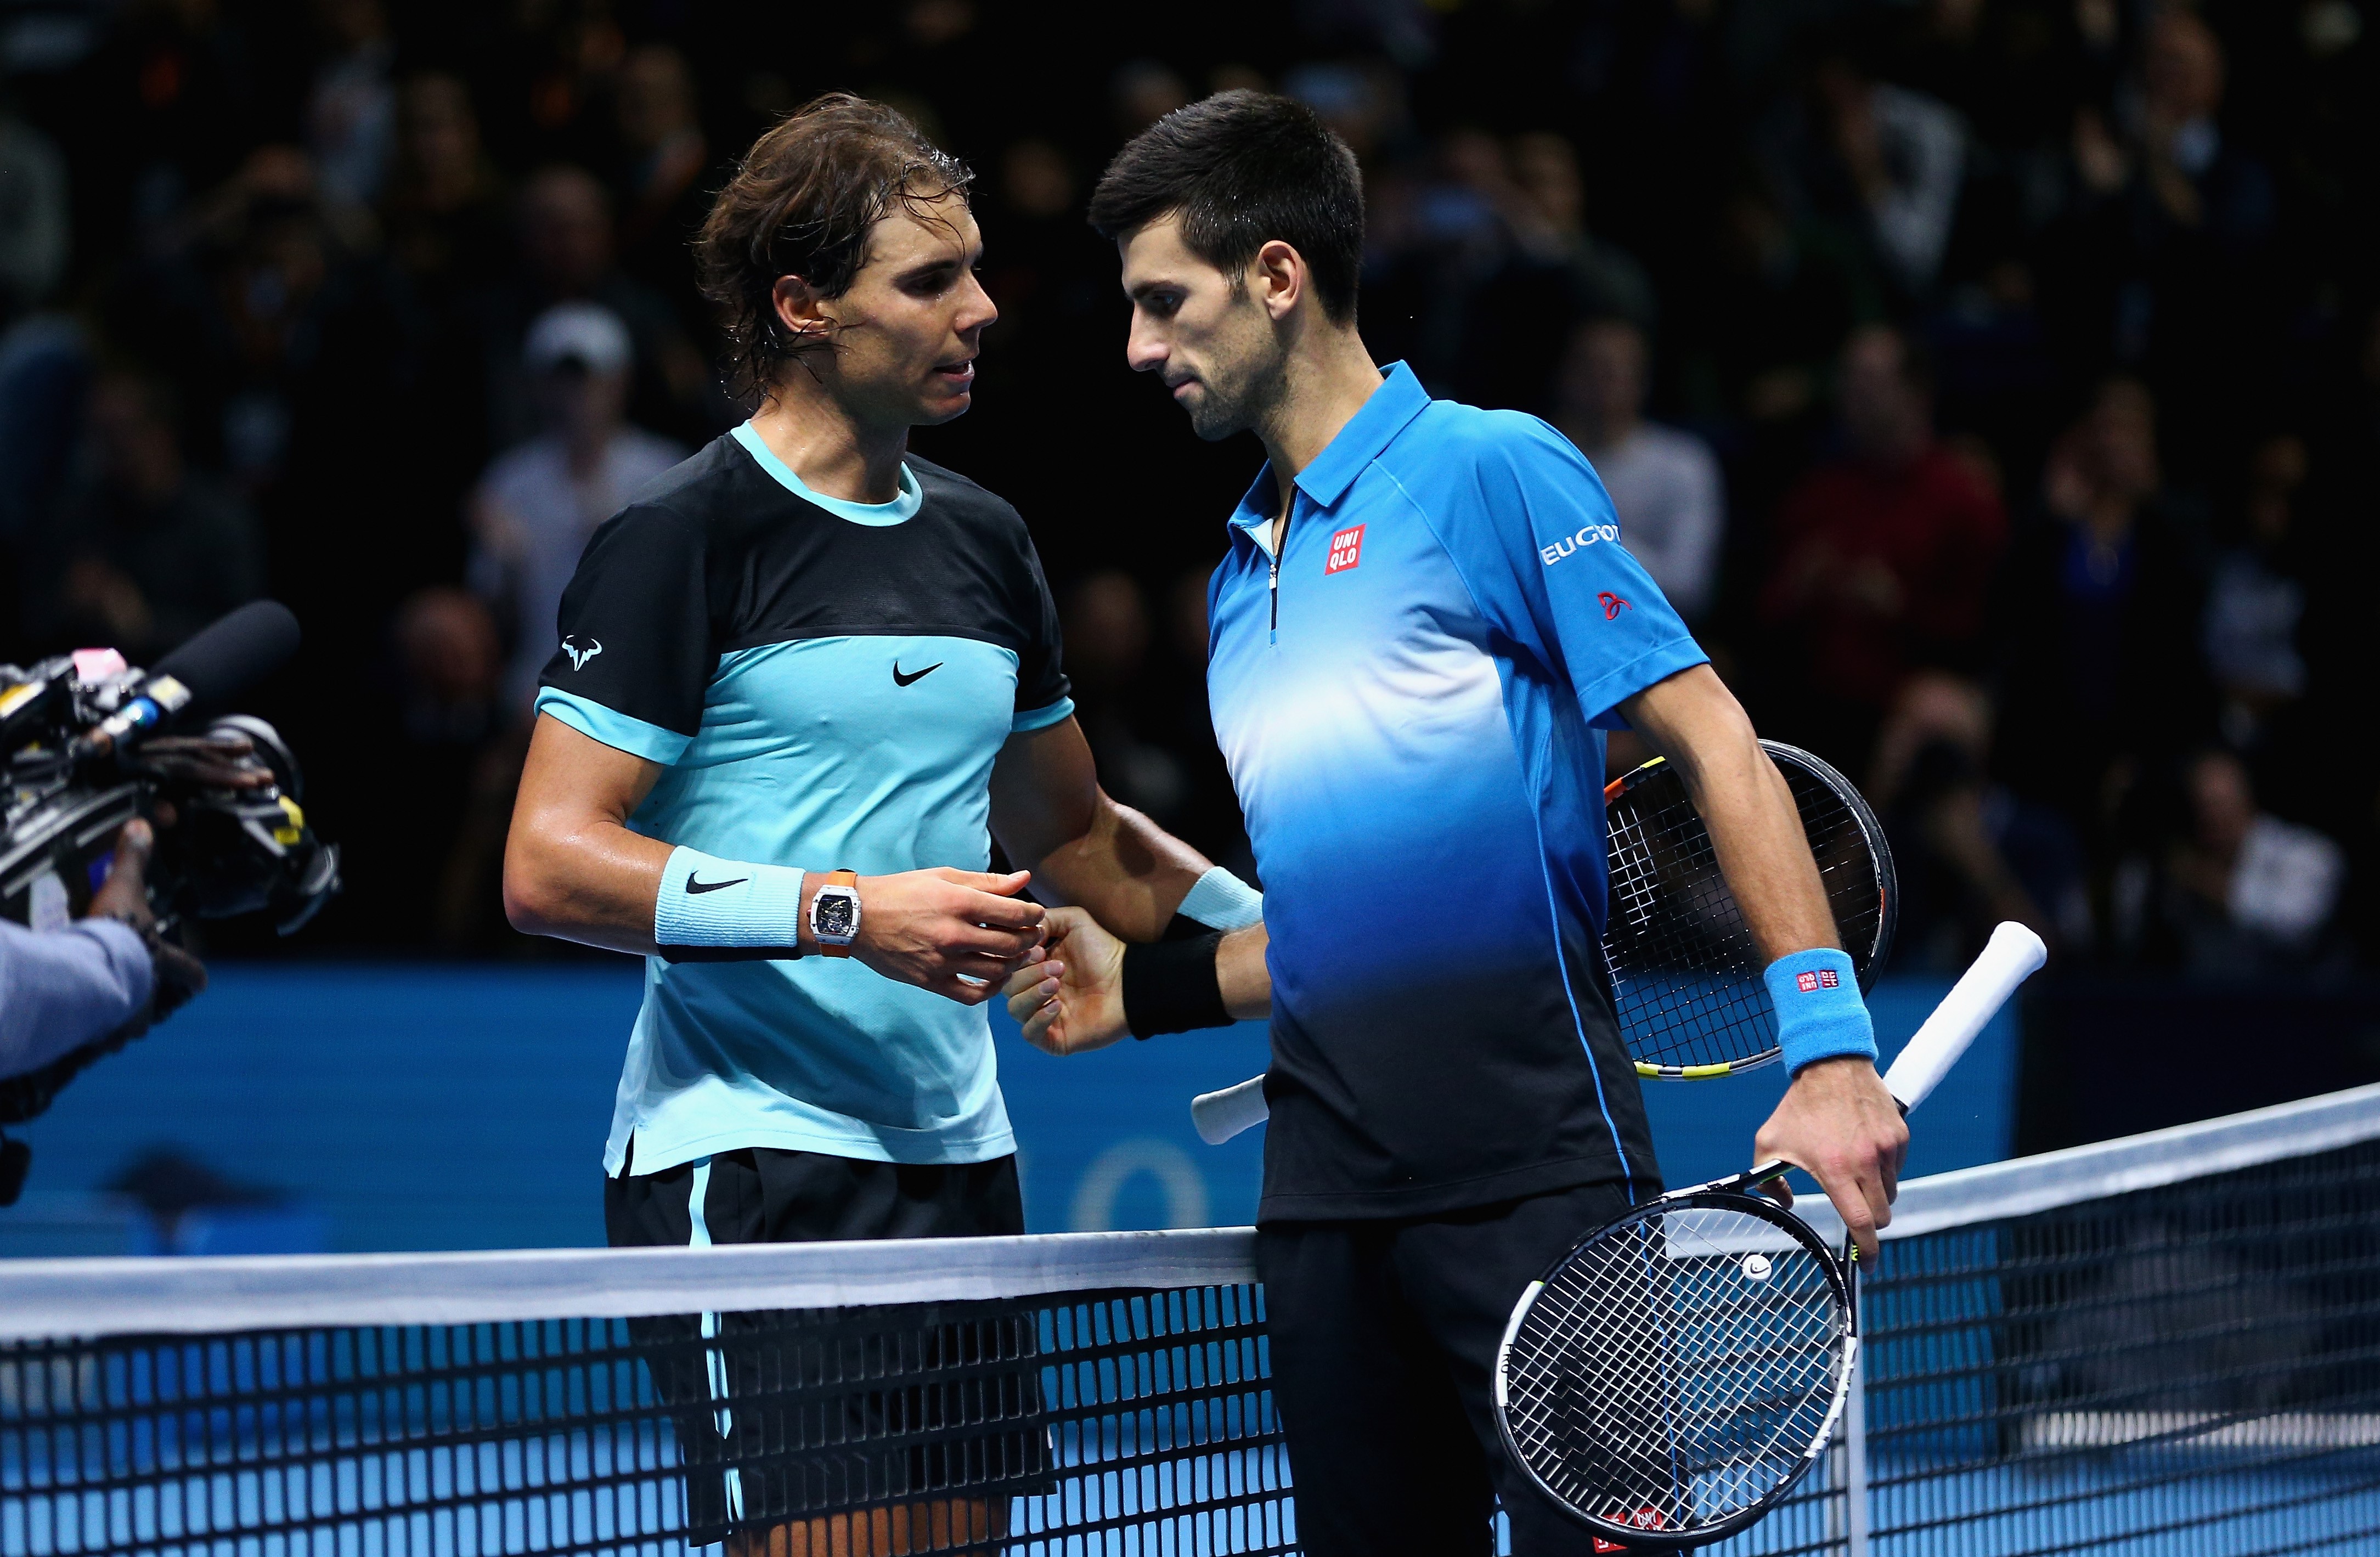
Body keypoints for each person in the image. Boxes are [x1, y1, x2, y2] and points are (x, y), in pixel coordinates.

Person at [1008, 91, 1908, 1557]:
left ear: (1279, 277)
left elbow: (1713, 738)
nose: (1137, 347)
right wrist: (1146, 992)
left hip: (1534, 1192)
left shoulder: (1491, 469)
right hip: (1323, 1220)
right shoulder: (1239, 579)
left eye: (1164, 301)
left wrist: (1827, 1043)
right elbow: (1355, 915)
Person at [499, 94, 1261, 1555]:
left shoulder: (984, 539)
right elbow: (548, 862)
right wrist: (852, 908)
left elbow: (1081, 833)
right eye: (929, 281)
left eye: (973, 270)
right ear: (801, 305)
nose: (979, 309)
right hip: (754, 1162)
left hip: (962, 1161)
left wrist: (1306, 944)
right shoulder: (688, 535)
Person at [1757, 324, 2006, 769]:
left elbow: (1985, 631)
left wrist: (1900, 607)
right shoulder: (1817, 494)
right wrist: (1800, 588)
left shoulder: (1964, 500)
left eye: (1870, 381)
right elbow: (1763, 616)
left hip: (1904, 702)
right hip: (1809, 699)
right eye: (1847, 380)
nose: (1853, 394)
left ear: (1917, 392)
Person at [469, 302, 685, 712]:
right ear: (537, 387)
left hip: (639, 696)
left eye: (589, 379)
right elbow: (493, 621)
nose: (576, 395)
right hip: (534, 695)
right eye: (562, 381)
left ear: (621, 381)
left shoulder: (668, 472)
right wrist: (505, 562)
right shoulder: (508, 483)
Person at [1553, 317, 1725, 620]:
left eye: (1611, 372)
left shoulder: (1683, 463)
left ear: (1641, 381)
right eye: (1586, 369)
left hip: (1650, 638)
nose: (1598, 384)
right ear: (1564, 376)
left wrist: (1586, 533)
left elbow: (1687, 586)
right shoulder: (1537, 462)